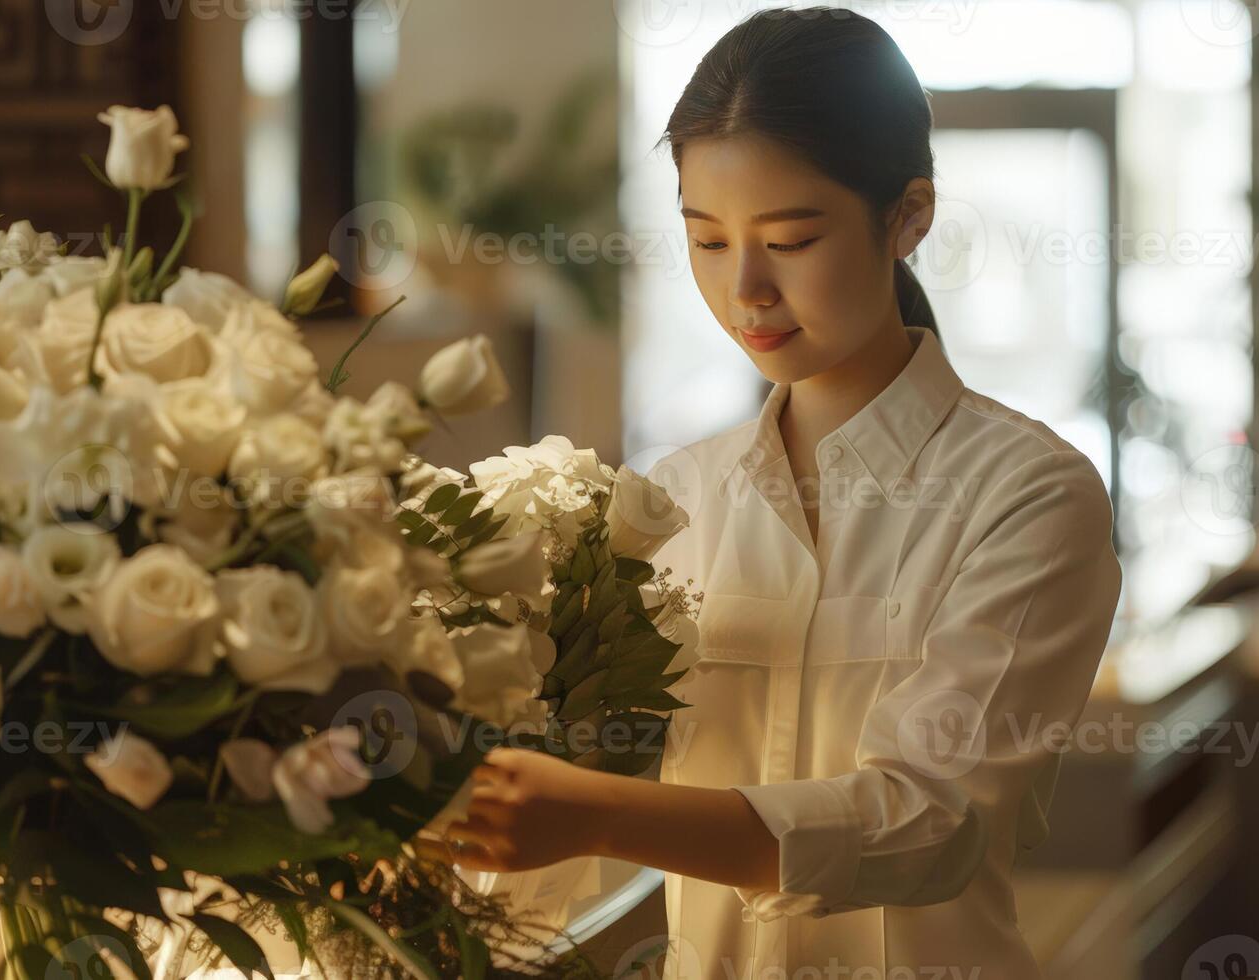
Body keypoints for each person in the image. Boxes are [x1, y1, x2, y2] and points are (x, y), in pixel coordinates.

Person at [434, 8, 1124, 978]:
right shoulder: (670, 502)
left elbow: (932, 820)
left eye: (792, 238)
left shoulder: (1028, 494)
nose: (745, 287)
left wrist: (594, 808)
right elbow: (555, 845)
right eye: (707, 239)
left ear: (908, 216)